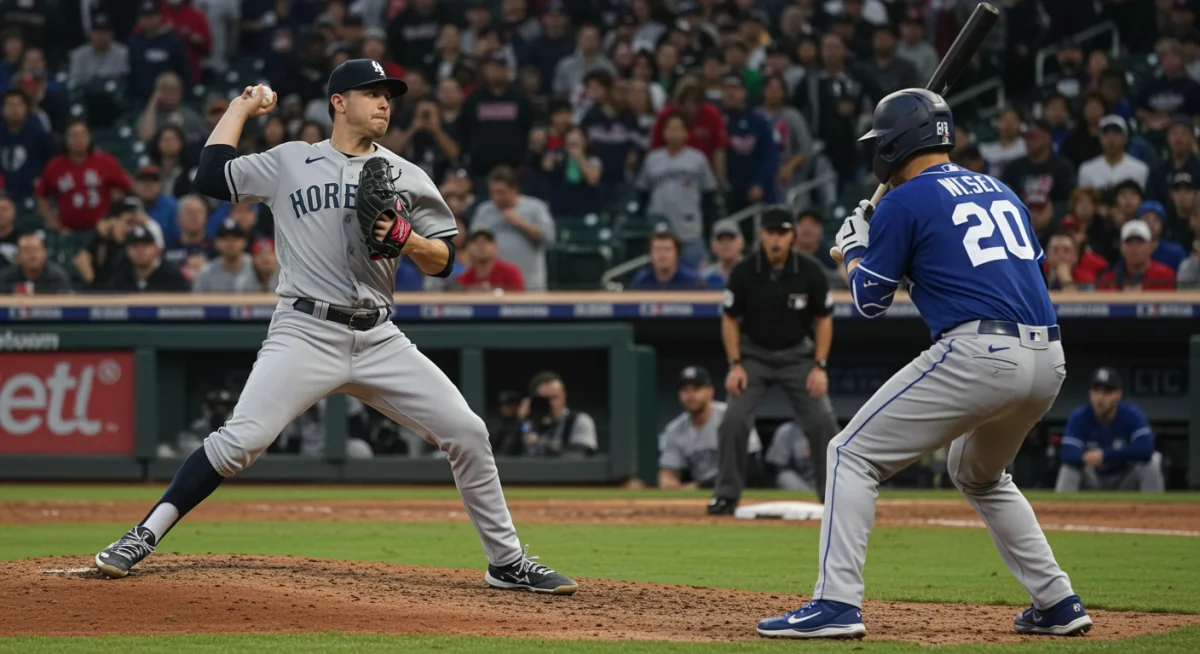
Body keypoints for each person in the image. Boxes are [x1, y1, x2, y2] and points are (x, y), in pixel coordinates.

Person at [93, 61, 577, 595]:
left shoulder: (407, 173)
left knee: (467, 432)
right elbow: (211, 176)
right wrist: (241, 107)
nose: (384, 103)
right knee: (241, 441)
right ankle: (143, 534)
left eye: (389, 95)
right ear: (338, 102)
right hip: (305, 330)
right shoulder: (292, 160)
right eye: (371, 94)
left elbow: (445, 262)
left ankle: (506, 562)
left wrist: (409, 241)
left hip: (379, 335)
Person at [758, 89, 1091, 639]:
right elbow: (1007, 268)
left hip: (981, 353)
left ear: (895, 144)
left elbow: (869, 300)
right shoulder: (1002, 190)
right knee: (979, 474)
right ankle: (1057, 601)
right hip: (1048, 356)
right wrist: (890, 241)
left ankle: (836, 603)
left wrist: (853, 249)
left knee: (849, 454)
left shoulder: (903, 200)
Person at [710, 207, 838, 516]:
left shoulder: (809, 271)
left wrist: (820, 366)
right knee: (733, 420)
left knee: (823, 422)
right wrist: (734, 364)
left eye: (782, 232)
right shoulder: (743, 271)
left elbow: (823, 320)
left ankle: (833, 497)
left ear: (792, 235)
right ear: (761, 235)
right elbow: (729, 319)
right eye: (771, 233)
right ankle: (726, 495)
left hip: (799, 356)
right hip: (754, 356)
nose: (776, 239)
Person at [1055, 367, 1164, 493]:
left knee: (1153, 461)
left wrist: (1105, 455)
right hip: (1093, 479)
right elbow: (1067, 453)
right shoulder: (1080, 416)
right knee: (1069, 467)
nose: (1100, 397)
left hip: (1125, 479)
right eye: (1096, 391)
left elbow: (1146, 448)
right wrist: (1085, 458)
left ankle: (1153, 510)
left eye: (1107, 392)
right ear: (1090, 393)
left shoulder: (1131, 414)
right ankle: (1062, 511)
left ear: (1118, 394)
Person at [657, 365, 762, 490]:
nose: (690, 395)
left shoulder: (731, 417)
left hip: (736, 490)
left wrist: (701, 485)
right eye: (685, 390)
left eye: (696, 389)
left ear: (710, 392)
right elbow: (669, 470)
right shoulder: (674, 429)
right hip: (699, 493)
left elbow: (751, 467)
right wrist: (667, 479)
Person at [636, 112, 720, 265]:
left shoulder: (698, 159)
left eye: (678, 129)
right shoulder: (652, 159)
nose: (674, 133)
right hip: (659, 224)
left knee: (696, 275)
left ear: (686, 133)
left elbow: (709, 194)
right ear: (663, 133)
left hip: (689, 225)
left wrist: (708, 227)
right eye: (670, 129)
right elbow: (643, 193)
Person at [34, 120, 132, 234]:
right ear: (65, 139)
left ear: (89, 138)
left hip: (100, 230)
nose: (78, 139)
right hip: (68, 231)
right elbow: (41, 195)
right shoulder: (54, 166)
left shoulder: (105, 162)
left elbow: (128, 187)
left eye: (82, 135)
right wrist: (54, 223)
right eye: (74, 136)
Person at [470, 165, 555, 291]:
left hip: (529, 284)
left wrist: (519, 223)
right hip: (492, 286)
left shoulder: (535, 208)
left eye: (501, 192)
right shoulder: (484, 211)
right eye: (493, 192)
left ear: (514, 189)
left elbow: (549, 239)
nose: (496, 197)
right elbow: (472, 243)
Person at [456, 52, 535, 187]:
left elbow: (528, 127)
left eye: (499, 68)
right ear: (485, 71)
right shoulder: (474, 99)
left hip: (514, 170)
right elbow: (464, 130)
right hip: (480, 170)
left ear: (507, 71)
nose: (495, 72)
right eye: (491, 68)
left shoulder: (520, 98)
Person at [721, 75, 778, 213]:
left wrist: (761, 184)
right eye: (726, 89)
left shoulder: (758, 121)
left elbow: (769, 156)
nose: (730, 93)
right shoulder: (718, 121)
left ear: (744, 92)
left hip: (756, 192)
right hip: (729, 192)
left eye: (734, 89)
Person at [518, 370, 597, 457]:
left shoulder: (579, 421)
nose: (551, 404)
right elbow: (507, 455)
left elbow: (582, 454)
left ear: (564, 396)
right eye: (545, 399)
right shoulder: (527, 425)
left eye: (555, 397)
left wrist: (541, 443)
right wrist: (520, 420)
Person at [127, 0, 192, 105]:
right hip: (141, 102)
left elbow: (184, 73)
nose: (149, 20)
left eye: (152, 16)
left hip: (170, 102)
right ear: (139, 20)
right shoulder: (134, 43)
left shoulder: (172, 42)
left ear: (159, 17)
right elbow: (132, 75)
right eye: (145, 17)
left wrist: (184, 98)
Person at [0, 89, 56, 203]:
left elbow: (51, 162)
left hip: (34, 194)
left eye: (18, 105)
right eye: (9, 105)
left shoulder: (40, 134)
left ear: (26, 108)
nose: (14, 109)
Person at [104, 224, 191, 292]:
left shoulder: (173, 277)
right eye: (135, 246)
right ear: (127, 251)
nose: (140, 251)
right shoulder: (121, 277)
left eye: (145, 246)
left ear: (156, 249)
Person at [1096, 220, 1177, 291]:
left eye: (1140, 242)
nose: (1134, 247)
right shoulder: (1108, 280)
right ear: (1121, 248)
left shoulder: (1164, 275)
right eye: (1129, 242)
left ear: (1151, 246)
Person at [1077, 115, 1150, 191]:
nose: (1111, 138)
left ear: (1125, 138)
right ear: (1100, 138)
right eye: (1106, 134)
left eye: (1116, 133)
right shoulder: (1087, 169)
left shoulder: (1140, 169)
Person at [75, 206, 135, 289]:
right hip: (98, 294)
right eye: (128, 222)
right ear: (112, 220)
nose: (130, 229)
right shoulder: (97, 239)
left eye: (134, 224)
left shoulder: (130, 246)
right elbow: (81, 259)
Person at [67, 13, 130, 91]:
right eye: (97, 32)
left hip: (113, 97)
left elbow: (124, 81)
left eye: (105, 32)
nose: (101, 36)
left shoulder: (122, 53)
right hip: (86, 96)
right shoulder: (78, 55)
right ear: (90, 34)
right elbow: (72, 83)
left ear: (112, 34)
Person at [456, 224, 526, 292]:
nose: (481, 245)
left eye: (487, 241)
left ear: (495, 246)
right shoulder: (464, 279)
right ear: (468, 247)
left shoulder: (511, 272)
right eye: (475, 241)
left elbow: (520, 299)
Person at [628, 229, 703, 290]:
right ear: (650, 255)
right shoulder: (640, 283)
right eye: (657, 249)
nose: (662, 254)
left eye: (667, 249)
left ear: (677, 254)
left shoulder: (693, 282)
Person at [193, 219, 254, 292]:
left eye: (235, 238)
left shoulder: (256, 268)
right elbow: (196, 301)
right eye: (225, 238)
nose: (230, 243)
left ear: (245, 242)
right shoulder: (206, 272)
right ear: (216, 243)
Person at [0, 233, 71, 294]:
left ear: (45, 254)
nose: (32, 256)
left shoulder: (57, 276)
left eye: (36, 251)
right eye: (27, 251)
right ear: (17, 257)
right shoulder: (6, 276)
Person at [132, 165, 181, 242]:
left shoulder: (173, 208)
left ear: (160, 185)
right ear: (135, 185)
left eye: (153, 181)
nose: (148, 186)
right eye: (143, 181)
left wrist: (149, 224)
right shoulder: (128, 205)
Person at [765, 420, 818, 491]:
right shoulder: (786, 431)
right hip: (797, 479)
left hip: (818, 479)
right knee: (784, 477)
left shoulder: (827, 430)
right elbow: (776, 466)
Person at [1134, 200, 1187, 270]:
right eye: (1146, 219)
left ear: (1162, 225)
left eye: (1155, 220)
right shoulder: (1132, 249)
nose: (1150, 224)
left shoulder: (1174, 251)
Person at [978, 107, 1027, 179]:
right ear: (996, 123)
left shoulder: (1027, 145)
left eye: (1013, 120)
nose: (1009, 124)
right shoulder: (985, 148)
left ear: (1021, 123)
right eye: (1005, 120)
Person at [700, 218, 744, 289]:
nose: (726, 244)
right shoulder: (704, 278)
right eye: (720, 239)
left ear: (741, 242)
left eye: (730, 238)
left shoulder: (754, 274)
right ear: (713, 245)